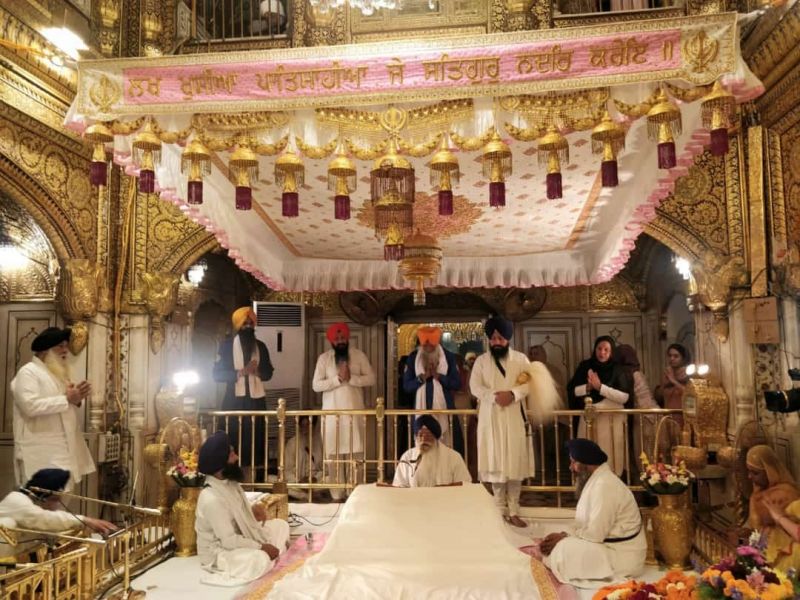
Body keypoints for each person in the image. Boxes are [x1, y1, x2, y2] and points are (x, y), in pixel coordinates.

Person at [541, 439, 646, 588]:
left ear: (587, 464)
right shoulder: (598, 479)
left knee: (563, 551)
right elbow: (588, 526)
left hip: (621, 556)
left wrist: (564, 537)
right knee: (556, 538)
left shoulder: (605, 485)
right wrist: (564, 535)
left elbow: (595, 534)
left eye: (574, 462)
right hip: (607, 545)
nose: (570, 467)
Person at [195, 431, 290, 587]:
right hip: (220, 552)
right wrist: (261, 547)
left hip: (243, 537)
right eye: (232, 455)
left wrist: (252, 511)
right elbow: (229, 541)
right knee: (259, 559)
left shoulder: (230, 483)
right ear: (220, 462)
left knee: (281, 525)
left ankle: (272, 554)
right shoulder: (211, 498)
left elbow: (236, 514)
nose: (237, 458)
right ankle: (270, 556)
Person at [10, 327, 95, 489]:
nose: (65, 350)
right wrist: (68, 399)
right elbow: (30, 406)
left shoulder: (57, 373)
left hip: (65, 449)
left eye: (65, 345)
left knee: (61, 501)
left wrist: (77, 399)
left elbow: (66, 405)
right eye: (60, 346)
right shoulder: (28, 373)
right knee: (42, 506)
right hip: (41, 452)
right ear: (45, 351)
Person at [470, 317, 532, 528]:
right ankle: (498, 509)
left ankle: (514, 509)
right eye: (493, 338)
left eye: (500, 338)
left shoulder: (521, 359)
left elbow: (530, 384)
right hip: (491, 415)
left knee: (514, 460)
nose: (496, 341)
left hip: (514, 414)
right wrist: (494, 396)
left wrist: (513, 394)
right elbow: (474, 387)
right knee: (495, 460)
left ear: (508, 339)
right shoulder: (481, 361)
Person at [312, 322, 376, 501]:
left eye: (342, 338)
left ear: (347, 338)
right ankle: (337, 495)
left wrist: (352, 378)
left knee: (356, 454)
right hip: (333, 417)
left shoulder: (358, 355)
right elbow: (316, 385)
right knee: (334, 456)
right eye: (337, 338)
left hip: (354, 415)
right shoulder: (324, 359)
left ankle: (357, 495)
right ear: (331, 341)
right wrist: (337, 379)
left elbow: (371, 378)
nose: (340, 341)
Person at [213, 307, 274, 481]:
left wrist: (257, 372)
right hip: (234, 403)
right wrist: (241, 372)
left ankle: (254, 482)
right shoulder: (226, 347)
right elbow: (216, 375)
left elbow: (269, 373)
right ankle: (232, 480)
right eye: (244, 323)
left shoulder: (260, 346)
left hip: (256, 403)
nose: (248, 326)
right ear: (238, 326)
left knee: (256, 443)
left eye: (250, 323)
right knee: (234, 442)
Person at [0, 468, 117, 558]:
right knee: (8, 523)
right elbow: (44, 519)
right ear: (38, 496)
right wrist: (86, 520)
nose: (58, 505)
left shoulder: (33, 507)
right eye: (54, 500)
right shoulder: (17, 500)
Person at [568, 336, 632, 476]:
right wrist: (588, 387)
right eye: (599, 349)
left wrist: (601, 387)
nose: (602, 353)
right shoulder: (585, 366)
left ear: (611, 352)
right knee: (586, 458)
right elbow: (572, 390)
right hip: (588, 420)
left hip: (610, 424)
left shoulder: (617, 370)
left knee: (610, 457)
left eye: (606, 350)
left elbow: (624, 396)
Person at [402, 326, 464, 454]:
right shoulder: (413, 358)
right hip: (420, 412)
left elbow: (457, 384)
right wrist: (421, 379)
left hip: (445, 410)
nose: (429, 348)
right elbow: (406, 386)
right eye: (426, 346)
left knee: (447, 448)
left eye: (431, 346)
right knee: (421, 448)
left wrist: (439, 377)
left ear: (437, 344)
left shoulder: (449, 357)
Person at [745, 445, 800, 570]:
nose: (749, 477)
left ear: (769, 471)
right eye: (748, 471)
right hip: (762, 548)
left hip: (782, 551)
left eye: (755, 473)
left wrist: (779, 517)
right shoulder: (759, 493)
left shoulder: (786, 493)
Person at [392, 415, 472, 488]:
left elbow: (465, 485)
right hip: (415, 502)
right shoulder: (407, 457)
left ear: (436, 437)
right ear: (416, 437)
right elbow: (399, 485)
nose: (424, 439)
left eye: (428, 435)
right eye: (420, 435)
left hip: (444, 502)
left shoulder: (453, 457)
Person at [615, 344, 659, 471]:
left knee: (645, 453)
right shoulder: (635, 372)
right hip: (648, 415)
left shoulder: (631, 374)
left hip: (644, 417)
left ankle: (649, 483)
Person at [284, 416, 323, 501]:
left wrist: (315, 478)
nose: (305, 429)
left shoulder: (320, 443)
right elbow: (287, 471)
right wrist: (299, 481)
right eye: (303, 425)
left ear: (314, 426)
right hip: (298, 483)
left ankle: (306, 495)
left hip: (316, 482)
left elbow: (326, 469)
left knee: (331, 479)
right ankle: (308, 496)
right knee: (274, 481)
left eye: (308, 425)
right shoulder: (292, 443)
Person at [654, 343, 691, 430]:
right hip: (669, 415)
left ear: (683, 358)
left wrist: (673, 381)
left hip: (684, 416)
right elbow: (660, 395)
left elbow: (690, 395)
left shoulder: (688, 373)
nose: (672, 359)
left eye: (676, 356)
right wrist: (663, 384)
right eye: (670, 356)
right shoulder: (667, 373)